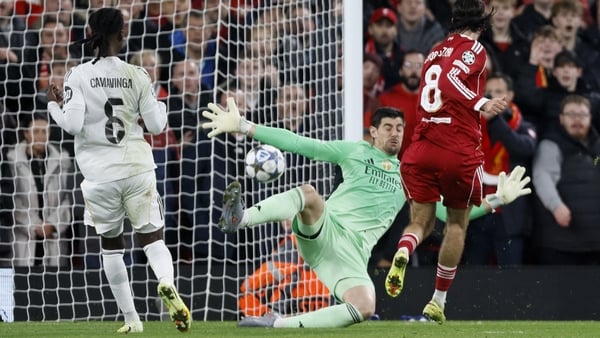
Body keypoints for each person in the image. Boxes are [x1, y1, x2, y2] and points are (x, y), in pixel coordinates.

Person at [201, 99, 530, 328]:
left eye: (400, 128)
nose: (395, 133)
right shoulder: (355, 151)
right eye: (388, 127)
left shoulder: (411, 173)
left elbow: (449, 215)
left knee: (364, 306)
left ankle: (277, 324)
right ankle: (241, 218)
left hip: (352, 255)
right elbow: (300, 143)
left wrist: (497, 198)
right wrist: (245, 126)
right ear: (373, 132)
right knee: (310, 195)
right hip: (326, 228)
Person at [45, 8, 190, 333]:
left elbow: (73, 125)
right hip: (138, 167)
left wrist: (54, 105)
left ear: (90, 33)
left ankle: (132, 320)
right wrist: (162, 105)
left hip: (100, 176)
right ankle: (166, 281)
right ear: (122, 35)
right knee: (153, 239)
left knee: (111, 247)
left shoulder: (77, 74)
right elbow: (155, 125)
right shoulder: (138, 74)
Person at [385, 0, 512, 324]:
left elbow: (436, 86)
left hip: (421, 148)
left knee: (421, 221)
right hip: (455, 147)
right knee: (456, 223)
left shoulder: (435, 50)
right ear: (482, 25)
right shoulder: (475, 50)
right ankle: (437, 302)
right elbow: (448, 83)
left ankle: (404, 248)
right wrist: (481, 101)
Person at [463, 73, 537, 266]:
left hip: (510, 217)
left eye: (498, 92)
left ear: (510, 95)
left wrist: (495, 120)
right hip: (477, 213)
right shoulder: (470, 125)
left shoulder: (523, 126)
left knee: (510, 277)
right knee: (475, 276)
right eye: (487, 92)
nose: (492, 96)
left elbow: (523, 148)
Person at [532, 94, 600, 265]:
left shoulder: (596, 148)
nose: (578, 120)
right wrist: (556, 206)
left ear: (590, 117)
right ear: (561, 118)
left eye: (583, 115)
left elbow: (596, 164)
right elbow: (543, 177)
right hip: (562, 242)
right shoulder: (552, 145)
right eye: (571, 114)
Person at [7, 114, 72, 267]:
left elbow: (67, 199)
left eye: (45, 132)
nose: (41, 136)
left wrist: (52, 224)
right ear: (26, 134)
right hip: (23, 238)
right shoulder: (11, 160)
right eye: (36, 131)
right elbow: (10, 199)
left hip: (53, 237)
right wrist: (35, 225)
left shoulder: (62, 160)